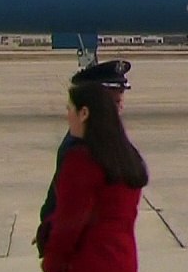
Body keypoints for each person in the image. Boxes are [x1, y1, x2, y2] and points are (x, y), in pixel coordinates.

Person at [41, 80, 149, 272]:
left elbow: (68, 226)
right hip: (117, 268)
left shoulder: (82, 160)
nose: (68, 115)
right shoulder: (124, 156)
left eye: (70, 109)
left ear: (85, 113)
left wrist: (52, 266)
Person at [34, 60, 132, 256]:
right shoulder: (81, 148)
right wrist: (48, 230)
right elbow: (64, 199)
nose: (121, 107)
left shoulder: (107, 141)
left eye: (120, 100)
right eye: (115, 101)